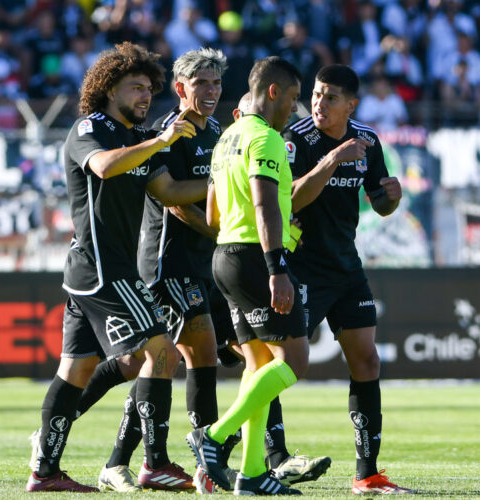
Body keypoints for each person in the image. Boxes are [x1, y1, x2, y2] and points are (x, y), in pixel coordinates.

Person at [26, 41, 207, 493]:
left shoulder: (134, 138)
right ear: (109, 89)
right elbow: (104, 168)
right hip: (104, 270)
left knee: (78, 371)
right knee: (161, 351)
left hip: (100, 271)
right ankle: (155, 463)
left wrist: (224, 178)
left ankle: (44, 471)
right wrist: (162, 140)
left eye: (149, 88)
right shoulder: (92, 127)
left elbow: (168, 192)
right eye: (135, 87)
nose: (145, 96)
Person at [101, 46, 228, 493]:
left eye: (216, 83)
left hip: (202, 262)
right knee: (191, 355)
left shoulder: (218, 132)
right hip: (165, 262)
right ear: (180, 88)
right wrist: (222, 229)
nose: (211, 91)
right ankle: (208, 462)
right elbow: (173, 202)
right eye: (201, 84)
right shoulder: (165, 133)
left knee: (155, 362)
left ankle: (117, 458)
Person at [282, 64, 412, 495]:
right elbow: (289, 200)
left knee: (367, 361)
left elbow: (380, 205)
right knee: (280, 368)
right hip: (298, 268)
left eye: (330, 97)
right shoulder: (296, 138)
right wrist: (331, 160)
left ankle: (367, 473)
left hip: (345, 267)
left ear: (351, 104)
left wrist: (391, 198)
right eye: (317, 94)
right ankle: (268, 459)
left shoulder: (368, 141)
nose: (319, 103)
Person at [187, 56, 308, 496]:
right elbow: (264, 205)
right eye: (294, 98)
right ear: (272, 92)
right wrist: (277, 266)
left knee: (258, 364)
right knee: (292, 360)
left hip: (224, 255)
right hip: (256, 257)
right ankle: (214, 436)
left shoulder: (227, 138)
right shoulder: (265, 138)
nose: (295, 109)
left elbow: (213, 213)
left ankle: (253, 472)